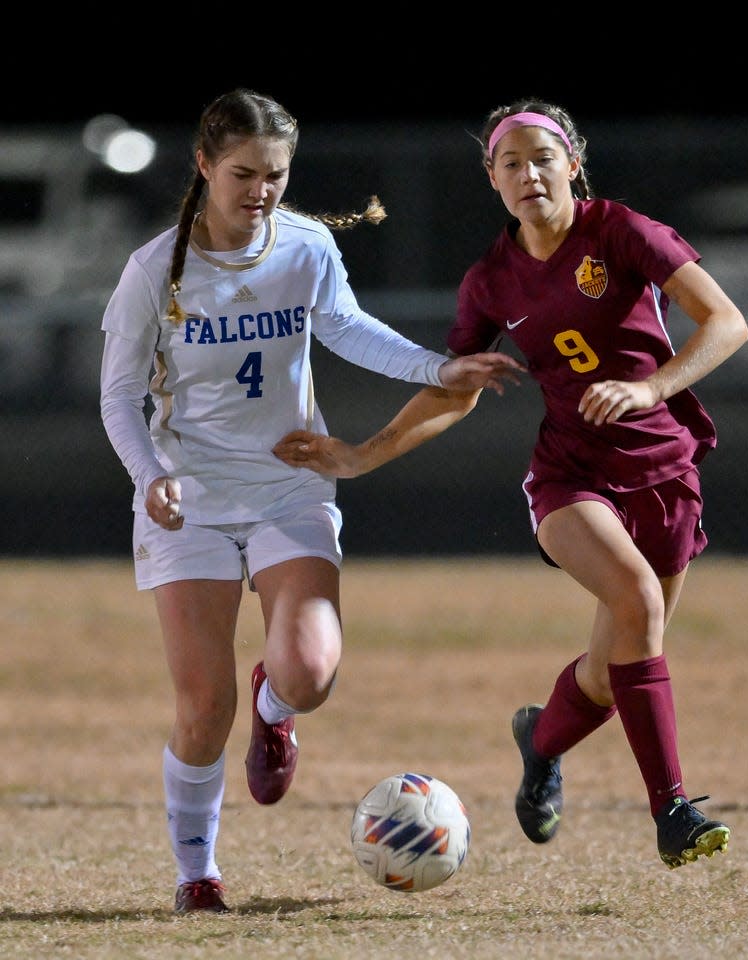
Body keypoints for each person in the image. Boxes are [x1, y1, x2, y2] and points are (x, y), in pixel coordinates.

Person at [273, 98, 748, 870]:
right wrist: (363, 453)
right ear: (492, 179)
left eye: (542, 158)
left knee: (608, 669)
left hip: (666, 473)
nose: (529, 173)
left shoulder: (622, 231)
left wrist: (649, 389)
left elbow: (726, 321)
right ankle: (672, 810)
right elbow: (452, 388)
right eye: (510, 163)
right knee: (638, 602)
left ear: (573, 163)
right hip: (571, 477)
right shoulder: (491, 281)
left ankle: (542, 740)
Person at [99, 88, 523, 915]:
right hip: (191, 498)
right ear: (203, 167)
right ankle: (198, 873)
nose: (260, 191)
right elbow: (117, 397)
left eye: (276, 175)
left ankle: (277, 708)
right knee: (201, 706)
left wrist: (440, 368)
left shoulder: (304, 248)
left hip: (290, 483)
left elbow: (349, 328)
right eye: (243, 173)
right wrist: (149, 476)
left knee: (311, 672)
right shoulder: (157, 269)